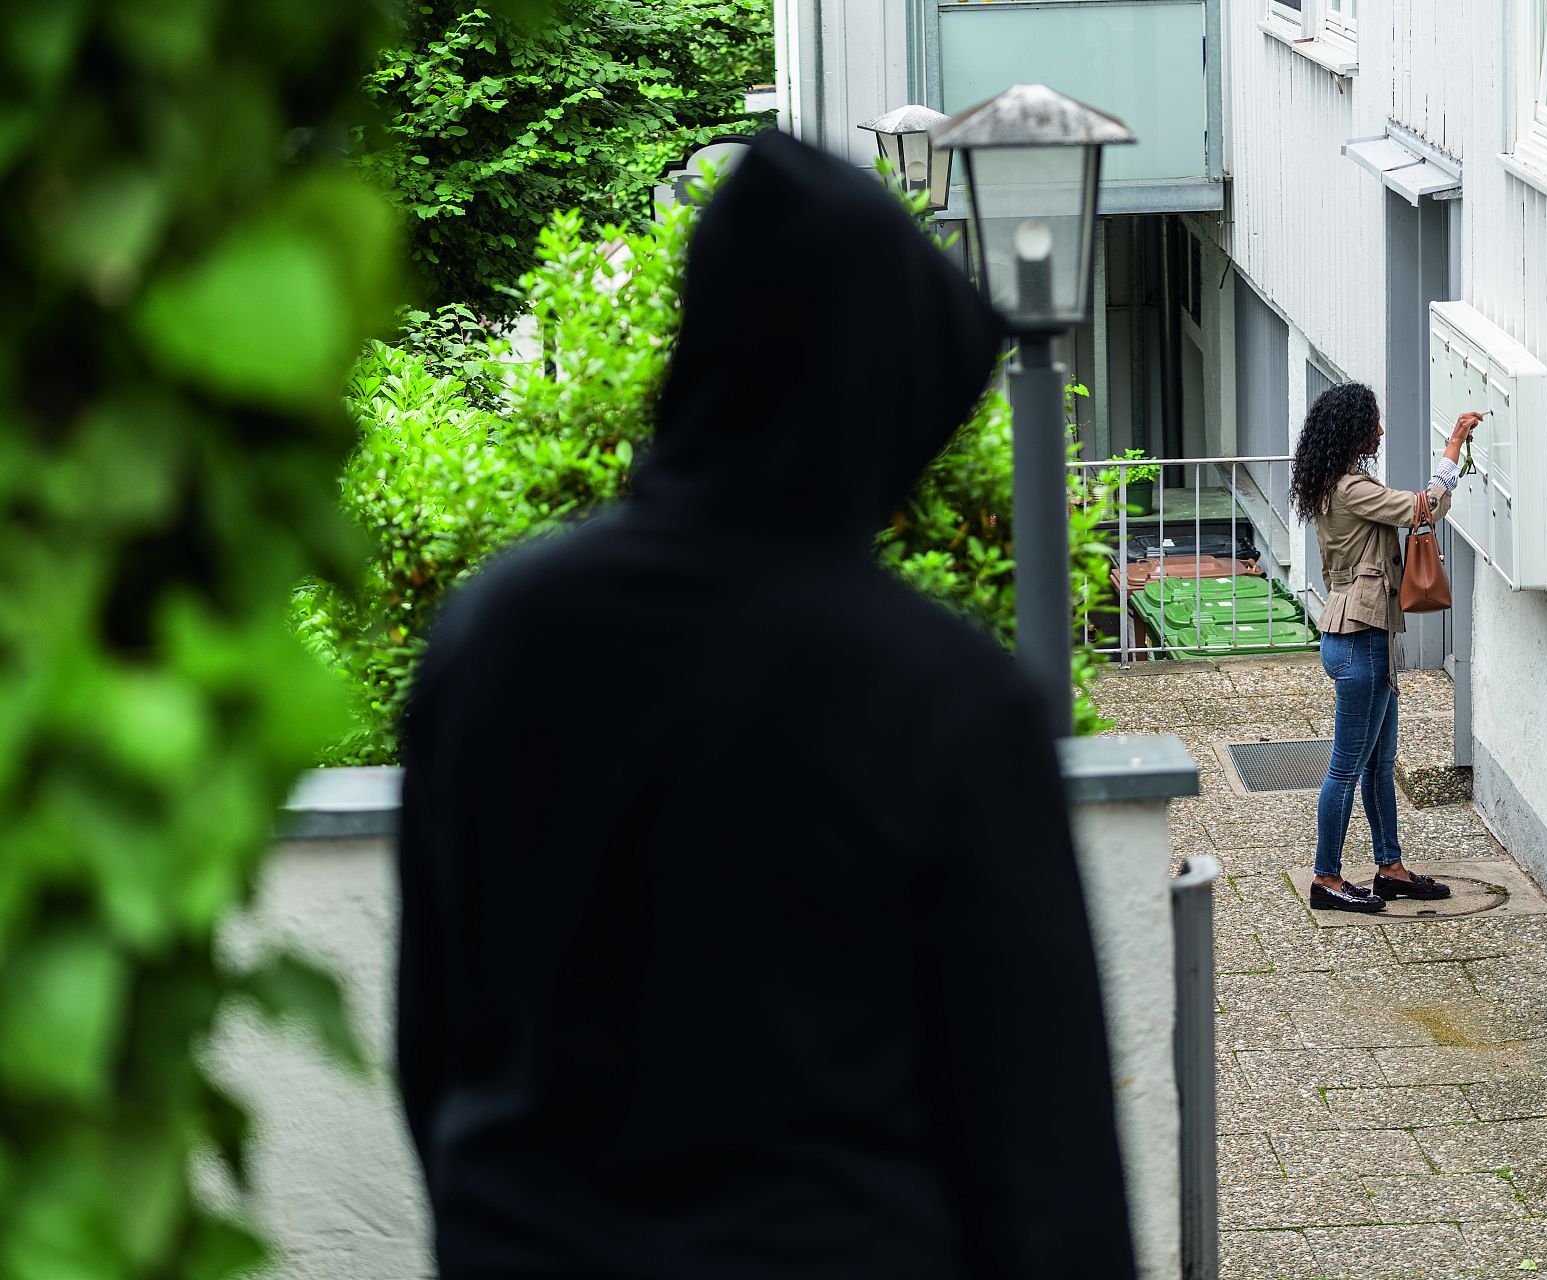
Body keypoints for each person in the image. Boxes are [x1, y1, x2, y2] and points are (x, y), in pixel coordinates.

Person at [394, 130, 1136, 1278]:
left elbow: (432, 1038)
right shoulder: (943, 699)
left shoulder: (494, 634)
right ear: (870, 400)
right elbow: (1048, 1161)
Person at [1289, 383, 1480, 912]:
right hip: (1361, 640)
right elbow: (1422, 509)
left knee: (1379, 762)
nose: (1380, 429)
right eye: (1373, 421)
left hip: (1359, 636)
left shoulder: (1334, 482)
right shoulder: (1350, 488)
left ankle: (1389, 867)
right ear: (1353, 430)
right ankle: (1326, 879)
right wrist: (1452, 449)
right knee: (1346, 768)